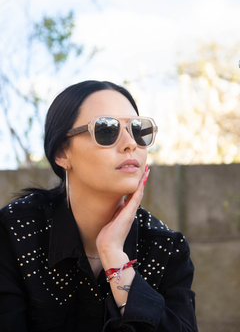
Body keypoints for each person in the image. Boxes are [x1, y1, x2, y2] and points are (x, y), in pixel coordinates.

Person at [0, 80, 198, 332]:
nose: (131, 143)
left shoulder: (166, 249)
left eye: (138, 130)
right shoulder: (14, 233)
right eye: (107, 129)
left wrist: (115, 259)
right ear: (62, 153)